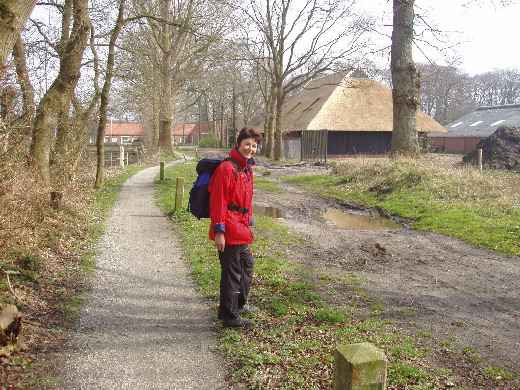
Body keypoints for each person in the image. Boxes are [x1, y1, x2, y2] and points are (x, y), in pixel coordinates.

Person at [208, 127, 262, 327]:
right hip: (229, 228)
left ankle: (239, 304)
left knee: (247, 266)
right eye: (247, 144)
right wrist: (219, 232)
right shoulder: (227, 168)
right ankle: (229, 316)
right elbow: (218, 201)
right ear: (238, 144)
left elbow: (248, 200)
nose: (251, 149)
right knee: (232, 272)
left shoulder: (247, 169)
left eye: (254, 146)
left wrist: (249, 220)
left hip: (242, 227)